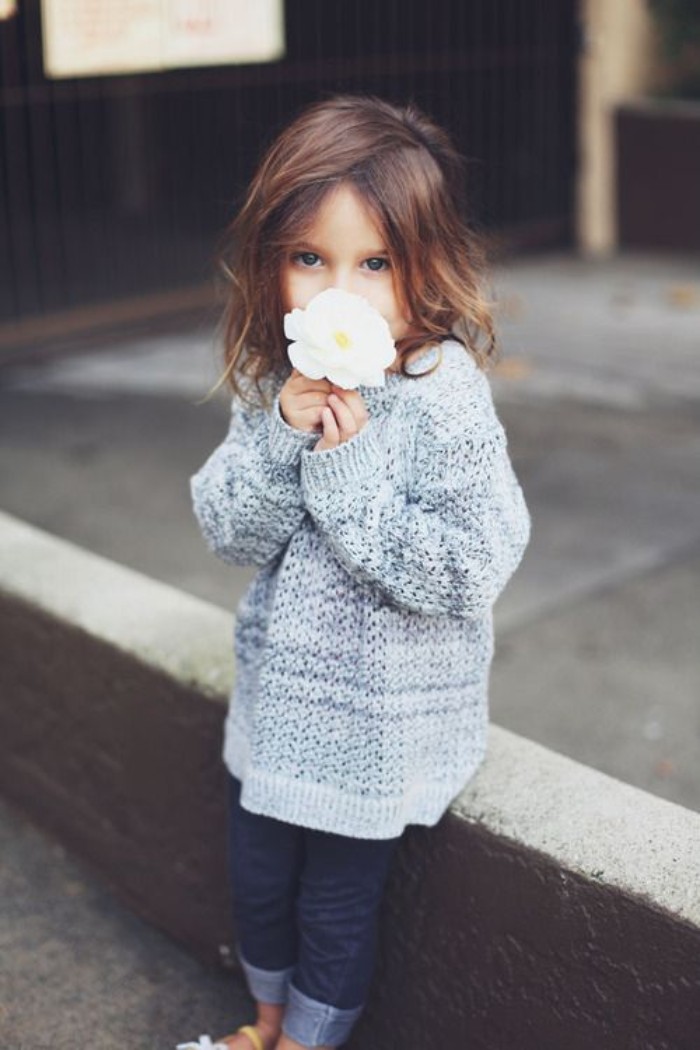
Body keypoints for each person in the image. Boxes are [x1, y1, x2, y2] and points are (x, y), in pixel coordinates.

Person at [185, 95, 530, 1050]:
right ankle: (261, 1025)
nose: (341, 292)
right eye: (311, 259)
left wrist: (347, 473)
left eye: (374, 263)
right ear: (271, 265)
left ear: (426, 265)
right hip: (277, 705)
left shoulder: (441, 392)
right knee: (257, 881)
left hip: (378, 725)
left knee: (337, 908)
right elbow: (229, 528)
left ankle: (309, 1040)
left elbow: (471, 566)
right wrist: (282, 439)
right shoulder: (272, 381)